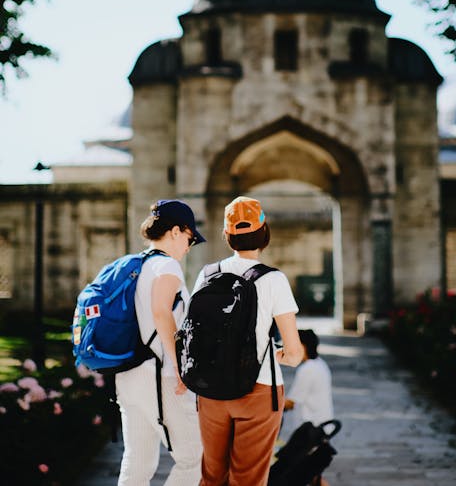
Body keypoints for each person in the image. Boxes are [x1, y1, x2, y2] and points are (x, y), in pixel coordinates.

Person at [193, 195, 304, 486]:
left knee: (212, 475)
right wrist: (276, 354)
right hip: (259, 389)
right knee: (249, 479)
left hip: (210, 390)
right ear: (264, 233)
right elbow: (294, 353)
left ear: (227, 236)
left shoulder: (206, 276)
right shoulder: (272, 279)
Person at [116, 199, 205, 486]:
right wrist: (178, 364)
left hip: (128, 375)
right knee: (195, 458)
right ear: (177, 231)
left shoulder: (134, 265)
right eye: (190, 238)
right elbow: (160, 310)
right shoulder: (167, 266)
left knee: (137, 463)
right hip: (162, 376)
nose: (189, 247)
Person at [283, 328, 335, 486]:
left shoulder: (307, 370)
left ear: (302, 347)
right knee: (312, 474)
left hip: (311, 430)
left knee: (303, 472)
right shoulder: (320, 364)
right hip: (322, 425)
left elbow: (291, 403)